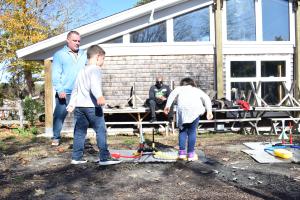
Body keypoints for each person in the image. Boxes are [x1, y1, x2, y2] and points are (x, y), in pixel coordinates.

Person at [66, 45, 121, 165]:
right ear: (98, 57)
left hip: (80, 107)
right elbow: (94, 85)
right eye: (103, 59)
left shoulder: (82, 70)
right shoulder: (95, 69)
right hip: (92, 107)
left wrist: (71, 104)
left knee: (80, 132)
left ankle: (76, 157)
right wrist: (99, 96)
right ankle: (104, 158)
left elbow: (75, 89)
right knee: (101, 130)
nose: (103, 62)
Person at [164, 77, 213, 161]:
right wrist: (209, 111)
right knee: (192, 132)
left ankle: (182, 153)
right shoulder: (196, 90)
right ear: (192, 83)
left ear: (182, 83)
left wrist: (167, 106)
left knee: (182, 131)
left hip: (183, 111)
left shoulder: (179, 88)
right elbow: (206, 98)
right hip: (195, 111)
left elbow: (172, 95)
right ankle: (191, 154)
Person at [51, 31, 87, 146]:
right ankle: (56, 137)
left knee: (80, 117)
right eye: (74, 41)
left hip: (80, 92)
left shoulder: (84, 54)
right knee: (59, 116)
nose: (77, 43)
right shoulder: (59, 54)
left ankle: (78, 139)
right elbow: (56, 74)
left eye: (79, 41)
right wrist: (60, 89)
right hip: (65, 92)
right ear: (68, 40)